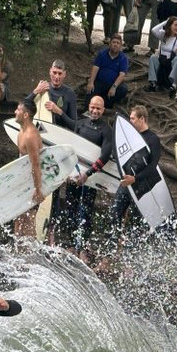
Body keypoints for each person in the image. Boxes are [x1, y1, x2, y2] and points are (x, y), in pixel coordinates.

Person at [66, 95, 115, 258]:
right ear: (89, 106)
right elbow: (70, 148)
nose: (95, 111)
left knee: (85, 212)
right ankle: (72, 244)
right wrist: (68, 171)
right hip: (74, 174)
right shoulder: (80, 124)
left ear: (103, 109)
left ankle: (83, 248)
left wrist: (88, 174)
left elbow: (105, 156)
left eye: (98, 108)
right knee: (71, 208)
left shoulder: (107, 130)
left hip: (91, 178)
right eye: (93, 107)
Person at [111, 105, 162, 229]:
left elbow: (152, 166)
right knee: (114, 214)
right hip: (127, 183)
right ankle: (112, 244)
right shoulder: (129, 138)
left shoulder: (153, 139)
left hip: (142, 186)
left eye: (133, 119)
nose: (130, 121)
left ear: (142, 119)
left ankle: (132, 247)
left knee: (135, 221)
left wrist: (135, 178)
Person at [14, 99, 45, 237]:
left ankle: (30, 254)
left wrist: (38, 190)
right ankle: (17, 252)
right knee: (18, 219)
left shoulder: (30, 136)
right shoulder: (21, 132)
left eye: (18, 110)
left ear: (26, 115)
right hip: (23, 182)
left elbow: (36, 165)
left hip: (32, 184)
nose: (15, 112)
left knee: (28, 220)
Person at [26, 59, 79, 131]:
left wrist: (59, 111)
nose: (57, 76)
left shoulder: (69, 93)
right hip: (39, 130)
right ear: (50, 71)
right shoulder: (42, 88)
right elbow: (22, 107)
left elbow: (74, 126)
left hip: (58, 134)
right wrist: (35, 92)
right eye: (54, 72)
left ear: (64, 74)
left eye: (60, 73)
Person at [87, 34, 130, 108]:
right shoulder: (102, 54)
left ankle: (105, 105)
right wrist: (91, 82)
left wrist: (114, 87)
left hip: (112, 84)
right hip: (99, 82)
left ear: (120, 46)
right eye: (114, 42)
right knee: (90, 92)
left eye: (118, 43)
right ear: (109, 44)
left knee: (123, 90)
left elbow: (122, 74)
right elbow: (95, 68)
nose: (115, 45)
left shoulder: (123, 58)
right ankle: (89, 111)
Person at [145, 16, 177, 91]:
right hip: (162, 64)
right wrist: (166, 22)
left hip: (170, 67)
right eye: (175, 25)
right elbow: (154, 30)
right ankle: (153, 83)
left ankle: (174, 84)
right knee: (153, 57)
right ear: (170, 26)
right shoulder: (163, 35)